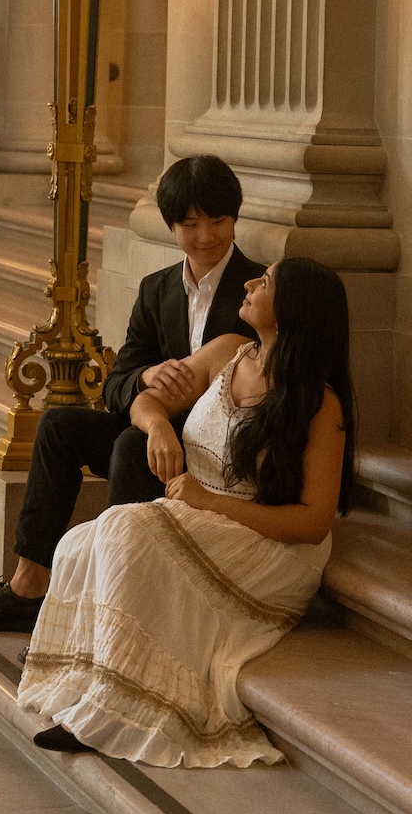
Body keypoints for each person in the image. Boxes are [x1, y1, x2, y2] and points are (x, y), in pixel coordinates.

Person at [18, 256, 355, 768]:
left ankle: (117, 709)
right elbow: (144, 401)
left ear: (292, 309)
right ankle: (94, 686)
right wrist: (157, 427)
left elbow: (312, 523)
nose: (248, 282)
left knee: (126, 532)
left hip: (265, 544)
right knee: (86, 538)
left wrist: (210, 502)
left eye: (263, 283)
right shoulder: (228, 352)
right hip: (200, 512)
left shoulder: (318, 404)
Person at [0, 156, 266, 635]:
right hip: (155, 424)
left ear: (234, 217)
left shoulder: (257, 289)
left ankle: (108, 602)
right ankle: (28, 585)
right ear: (172, 226)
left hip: (217, 446)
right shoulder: (157, 290)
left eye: (217, 220)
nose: (206, 236)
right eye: (191, 224)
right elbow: (115, 384)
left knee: (129, 447)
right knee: (58, 425)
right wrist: (146, 377)